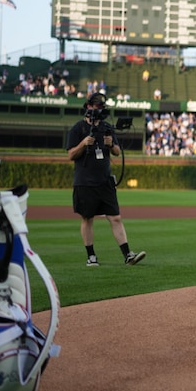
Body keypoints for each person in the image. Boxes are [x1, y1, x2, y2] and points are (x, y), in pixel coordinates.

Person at [66, 92, 146, 267]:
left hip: (105, 181)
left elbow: (117, 151)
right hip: (85, 181)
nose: (99, 110)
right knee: (87, 218)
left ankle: (127, 255)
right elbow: (71, 154)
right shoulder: (77, 128)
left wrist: (111, 143)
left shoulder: (107, 127)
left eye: (101, 107)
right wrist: (83, 143)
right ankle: (91, 256)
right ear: (88, 107)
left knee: (115, 217)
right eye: (96, 106)